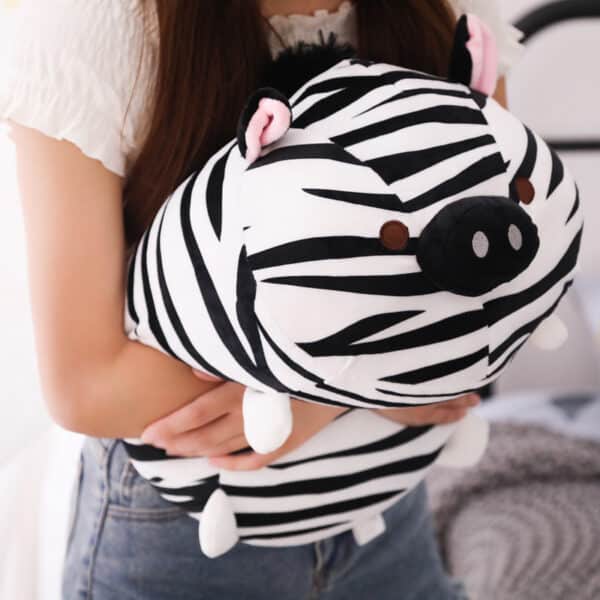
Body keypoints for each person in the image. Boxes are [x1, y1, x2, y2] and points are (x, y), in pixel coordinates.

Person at [0, 1, 523, 598]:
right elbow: (88, 386)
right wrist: (381, 374)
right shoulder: (92, 30)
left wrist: (318, 400)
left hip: (382, 498)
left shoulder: (447, 13)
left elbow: (503, 283)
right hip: (188, 528)